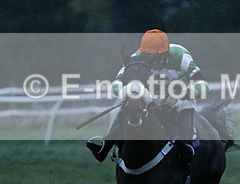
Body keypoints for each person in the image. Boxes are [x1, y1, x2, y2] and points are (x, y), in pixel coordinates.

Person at [86, 29, 207, 163]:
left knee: (185, 111)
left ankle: (187, 148)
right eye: (149, 56)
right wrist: (126, 93)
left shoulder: (180, 55)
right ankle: (105, 147)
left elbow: (202, 85)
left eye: (157, 57)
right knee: (129, 106)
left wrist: (183, 94)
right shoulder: (136, 58)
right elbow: (117, 82)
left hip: (182, 99)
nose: (153, 61)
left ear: (166, 52)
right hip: (154, 100)